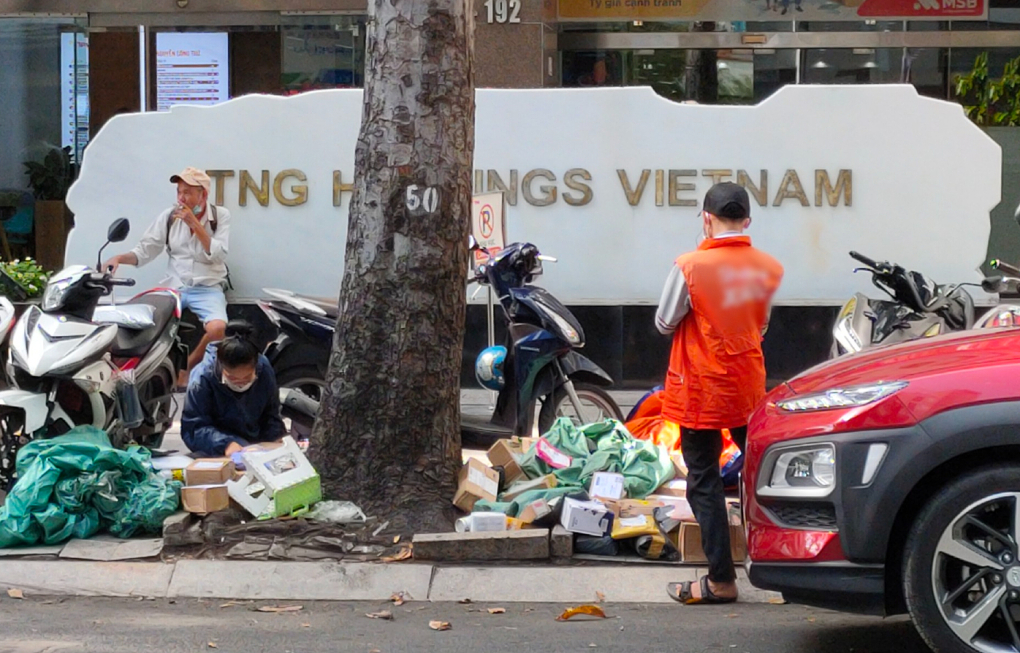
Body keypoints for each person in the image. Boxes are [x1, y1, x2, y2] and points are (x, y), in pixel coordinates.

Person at [657, 182, 783, 605]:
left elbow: (663, 322)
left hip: (701, 389)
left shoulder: (690, 265)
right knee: (759, 477)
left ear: (705, 218)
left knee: (705, 481)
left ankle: (720, 580)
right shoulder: (765, 267)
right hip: (747, 385)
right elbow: (761, 324)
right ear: (747, 221)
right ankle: (778, 568)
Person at [104, 167, 230, 387]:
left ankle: (188, 368)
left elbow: (217, 254)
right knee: (143, 321)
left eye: (188, 193)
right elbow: (146, 250)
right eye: (179, 192)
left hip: (207, 286)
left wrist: (195, 225)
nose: (182, 198)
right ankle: (137, 375)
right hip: (175, 286)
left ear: (203, 195)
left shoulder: (220, 216)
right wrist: (119, 258)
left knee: (218, 328)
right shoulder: (169, 216)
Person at [180, 320, 285, 457]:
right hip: (218, 449)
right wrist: (226, 443)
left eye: (247, 377)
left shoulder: (264, 369)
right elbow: (193, 428)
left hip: (256, 449)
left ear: (255, 367)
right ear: (222, 367)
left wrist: (275, 438)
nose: (240, 383)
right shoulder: (203, 378)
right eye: (233, 378)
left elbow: (271, 414)